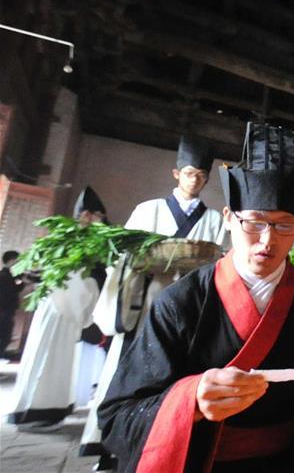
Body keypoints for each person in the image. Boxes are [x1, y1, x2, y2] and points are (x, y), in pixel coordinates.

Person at [99, 123, 294, 472]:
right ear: (228, 218)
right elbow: (118, 416)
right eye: (255, 223)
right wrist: (190, 400)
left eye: (285, 225)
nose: (268, 240)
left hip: (287, 464)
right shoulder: (181, 302)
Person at [81, 136, 226, 464]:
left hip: (186, 308)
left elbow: (217, 263)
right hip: (145, 302)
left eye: (202, 175)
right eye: (189, 173)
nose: (195, 180)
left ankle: (163, 439)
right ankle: (111, 446)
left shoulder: (214, 221)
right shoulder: (148, 210)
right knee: (129, 373)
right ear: (176, 174)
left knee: (175, 373)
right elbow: (123, 256)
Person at [6, 188, 107, 430]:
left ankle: (49, 409)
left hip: (67, 310)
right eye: (90, 214)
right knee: (45, 357)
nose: (94, 219)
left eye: (96, 216)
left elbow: (94, 276)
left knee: (59, 360)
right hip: (57, 305)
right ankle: (35, 410)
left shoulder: (95, 242)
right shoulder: (67, 239)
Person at [0, 249, 23, 357]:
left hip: (6, 311)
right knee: (5, 336)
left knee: (5, 336)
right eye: (17, 261)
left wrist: (22, 282)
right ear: (11, 261)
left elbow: (14, 289)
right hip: (4, 311)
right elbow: (10, 292)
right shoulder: (4, 276)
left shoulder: (8, 275)